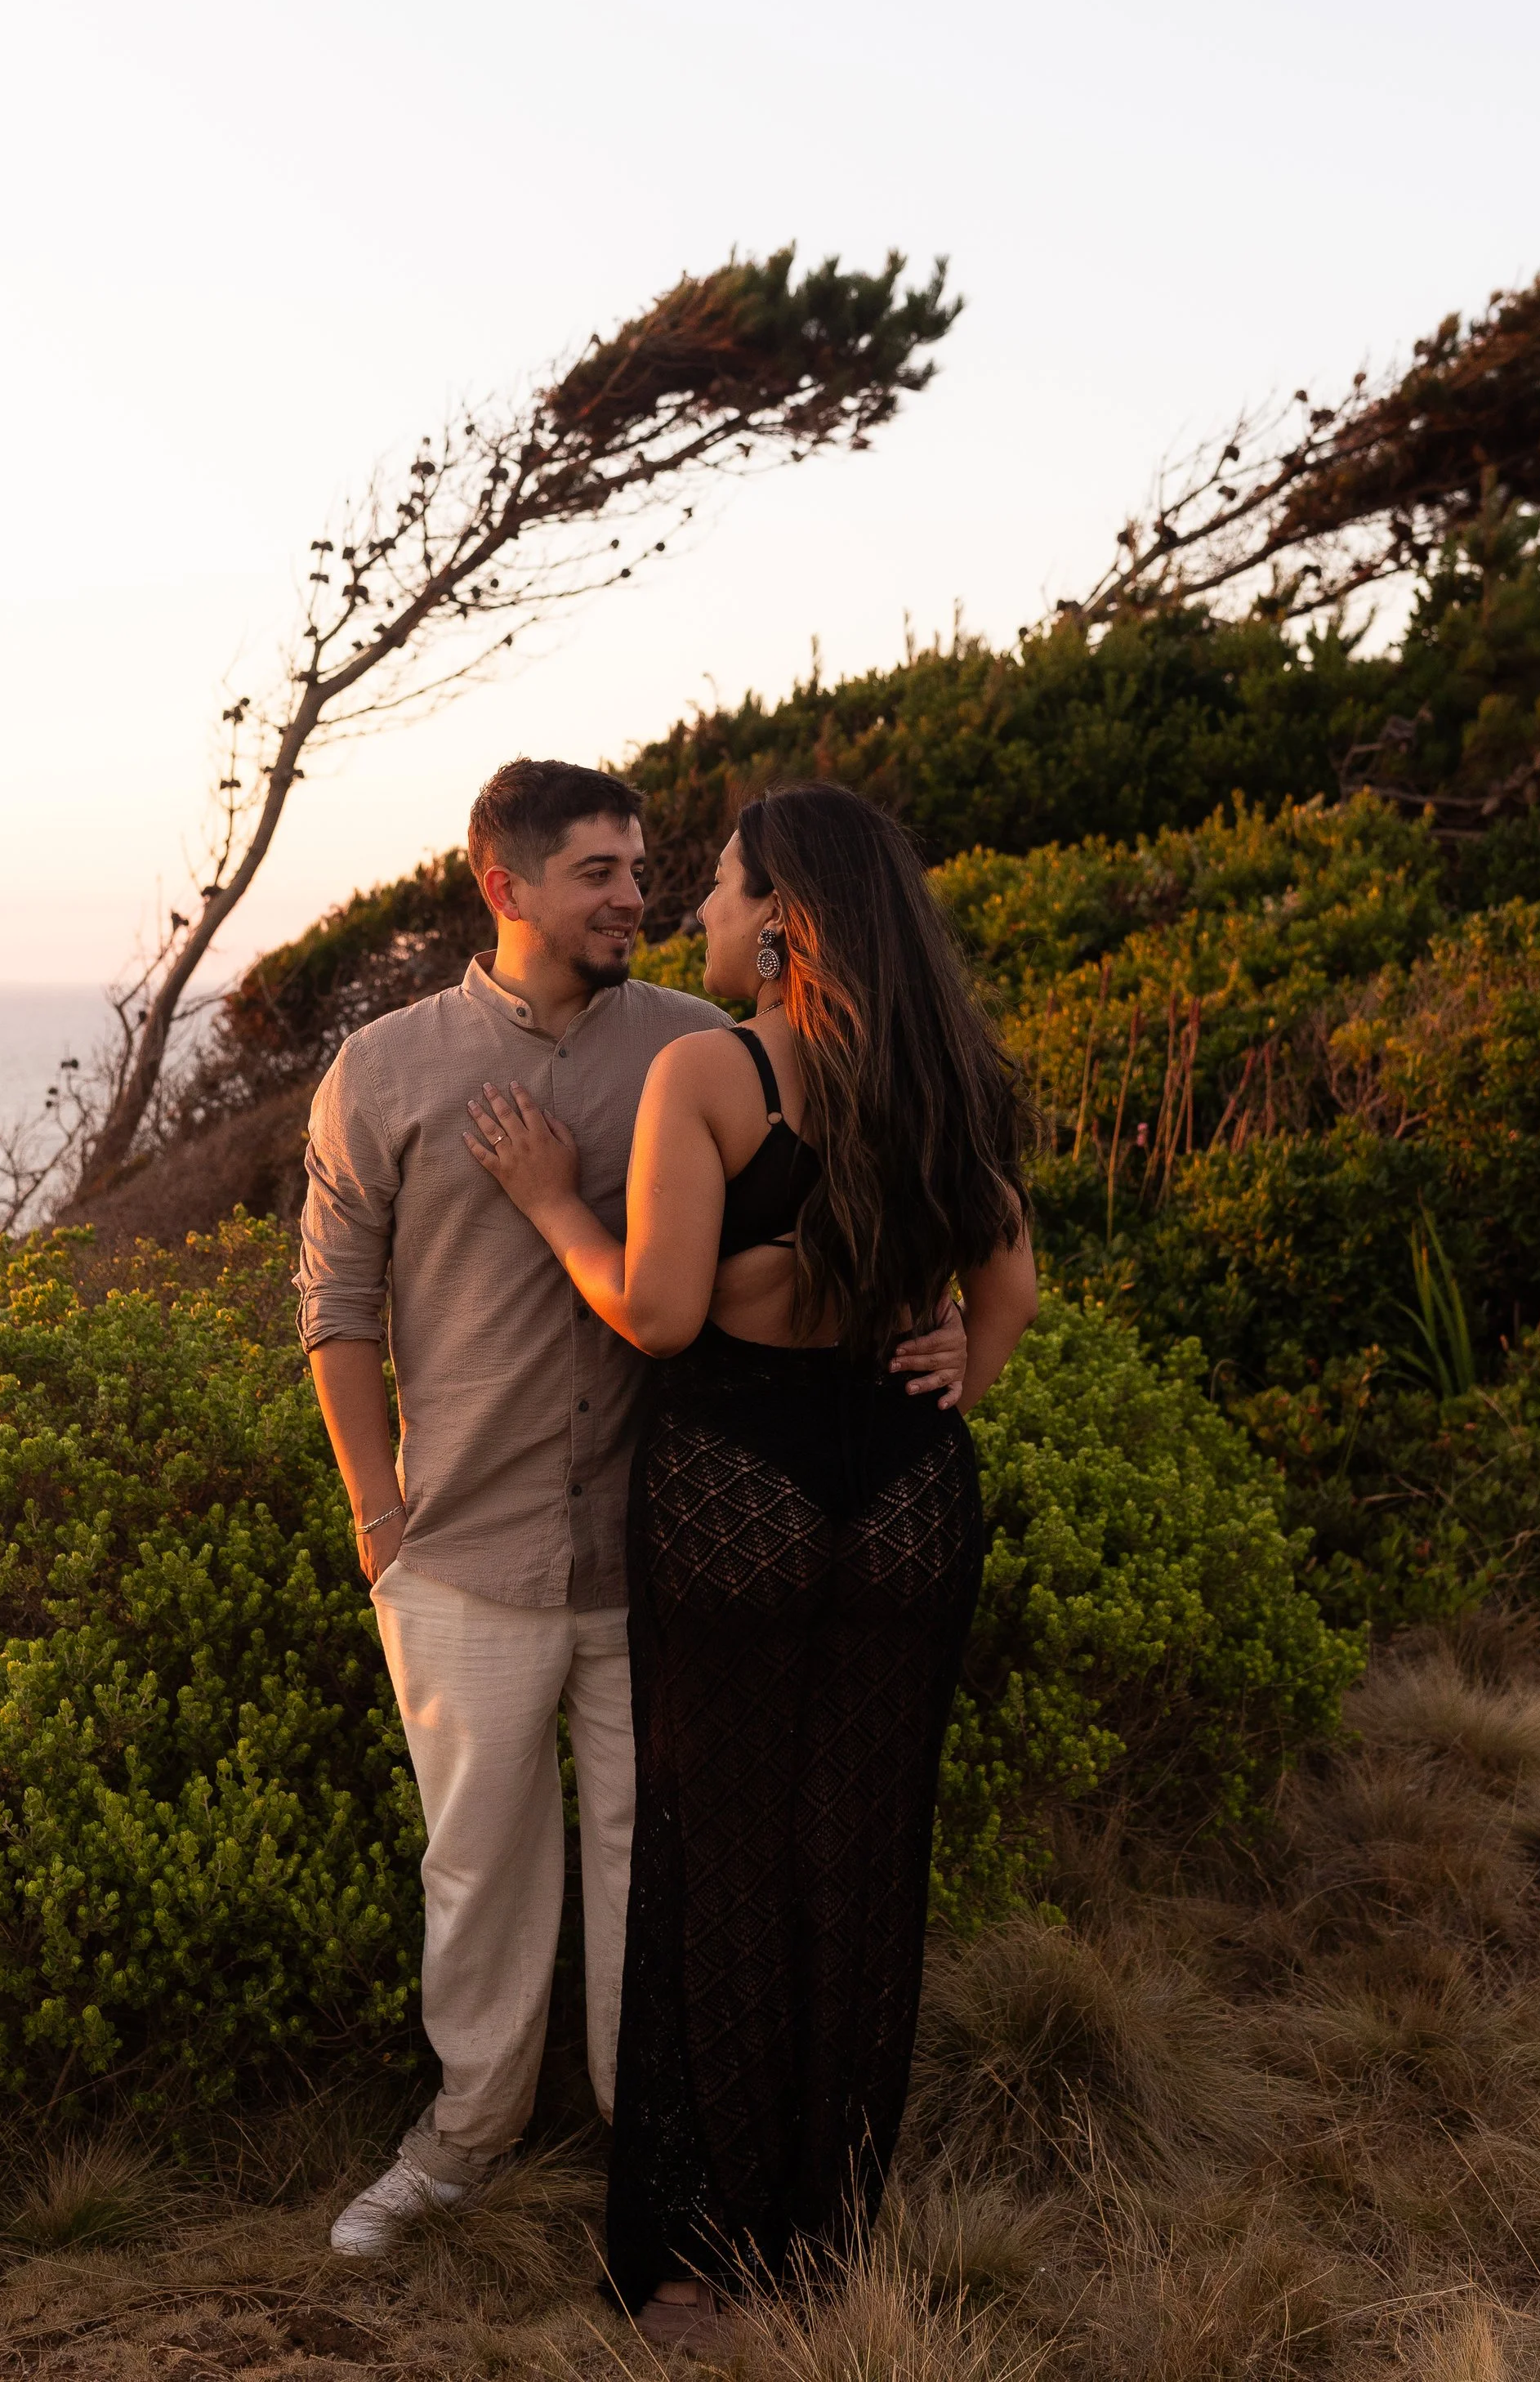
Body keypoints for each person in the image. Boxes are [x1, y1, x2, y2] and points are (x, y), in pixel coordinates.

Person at [298, 758, 968, 2257]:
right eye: (599, 869)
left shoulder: (701, 1045)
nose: (634, 893)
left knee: (653, 1855)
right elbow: (334, 1305)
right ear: (506, 884)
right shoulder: (385, 1070)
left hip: (662, 1544)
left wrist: (956, 1334)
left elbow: (867, 1197)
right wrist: (377, 1512)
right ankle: (464, 2135)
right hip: (460, 1543)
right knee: (474, 1860)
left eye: (644, 863)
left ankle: (642, 2144)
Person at [464, 783, 1038, 2344]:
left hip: (739, 1493)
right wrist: (947, 1381)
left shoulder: (708, 1072)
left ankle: (696, 2266)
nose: (695, 917)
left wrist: (545, 1203)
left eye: (716, 892)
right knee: (860, 1860)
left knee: (714, 1862)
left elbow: (652, 1312)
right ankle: (825, 2243)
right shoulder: (940, 1073)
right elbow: (1011, 1287)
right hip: (907, 1490)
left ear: (782, 917)